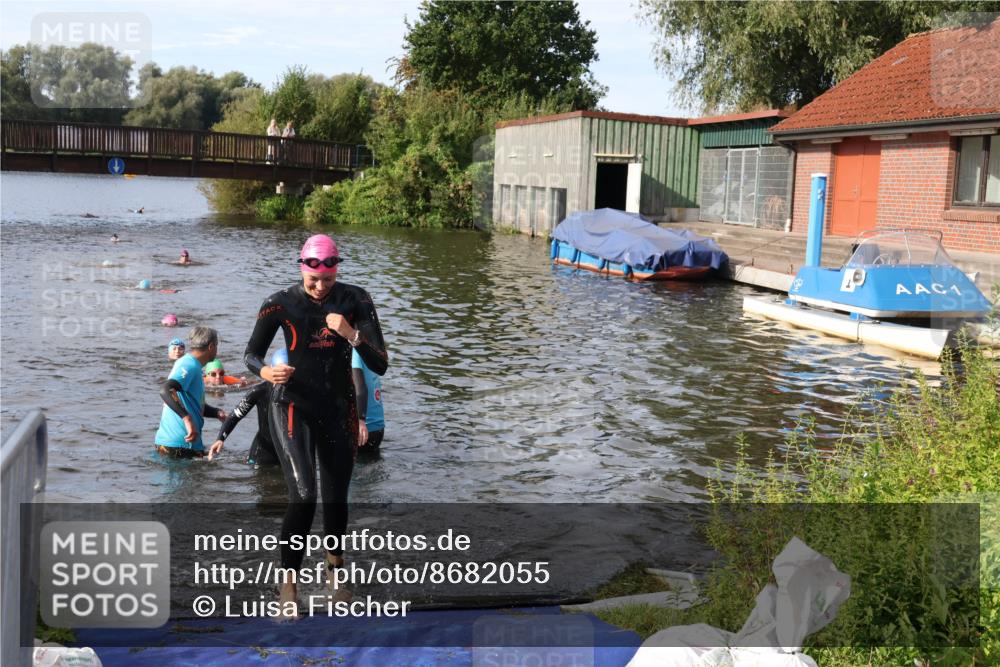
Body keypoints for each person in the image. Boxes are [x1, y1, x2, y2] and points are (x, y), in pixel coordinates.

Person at [244, 233, 388, 617]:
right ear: (301, 268)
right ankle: (288, 583)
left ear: (337, 270)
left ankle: (335, 571)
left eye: (328, 279)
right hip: (292, 404)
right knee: (304, 494)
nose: (321, 287)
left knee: (336, 495)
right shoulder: (280, 303)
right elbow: (250, 355)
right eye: (313, 280)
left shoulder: (355, 299)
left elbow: (380, 363)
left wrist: (351, 334)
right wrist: (267, 371)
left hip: (339, 408)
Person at [155, 327, 227, 458]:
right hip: (179, 445)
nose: (217, 349)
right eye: (217, 345)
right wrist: (187, 420)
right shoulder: (189, 364)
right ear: (211, 346)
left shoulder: (193, 365)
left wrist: (217, 413)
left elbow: (191, 403)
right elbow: (166, 389)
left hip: (180, 444)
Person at [207, 349, 286, 467]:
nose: (283, 379)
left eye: (287, 374)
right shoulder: (260, 391)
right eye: (278, 374)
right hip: (263, 452)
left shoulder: (300, 392)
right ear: (271, 370)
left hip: (289, 451)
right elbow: (235, 415)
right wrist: (220, 439)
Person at [352, 349, 384, 458]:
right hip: (378, 428)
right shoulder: (369, 348)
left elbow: (359, 388)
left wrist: (361, 420)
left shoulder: (354, 351)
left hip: (362, 430)